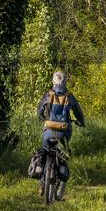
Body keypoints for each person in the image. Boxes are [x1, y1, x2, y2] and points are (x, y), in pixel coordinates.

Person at [37, 70, 85, 200]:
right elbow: (78, 113)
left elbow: (39, 110)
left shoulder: (48, 94)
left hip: (48, 131)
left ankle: (42, 185)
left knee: (46, 153)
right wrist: (81, 122)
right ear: (65, 82)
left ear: (53, 82)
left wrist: (42, 118)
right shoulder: (69, 96)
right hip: (64, 132)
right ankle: (60, 176)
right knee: (62, 154)